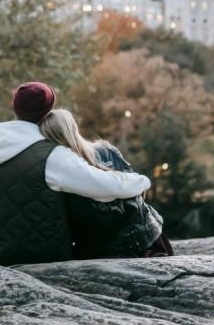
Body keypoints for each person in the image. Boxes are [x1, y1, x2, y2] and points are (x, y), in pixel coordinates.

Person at [0, 81, 151, 266]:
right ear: (49, 109)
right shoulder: (52, 156)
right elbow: (107, 187)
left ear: (15, 107)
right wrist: (142, 181)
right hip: (39, 254)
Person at [39, 109, 174, 259]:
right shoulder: (104, 150)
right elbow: (137, 192)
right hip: (143, 235)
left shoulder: (56, 169)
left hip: (102, 247)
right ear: (73, 127)